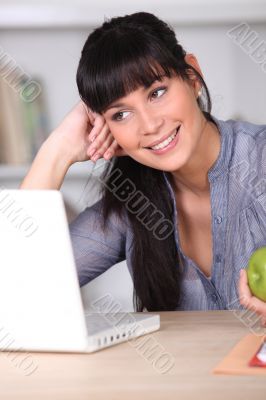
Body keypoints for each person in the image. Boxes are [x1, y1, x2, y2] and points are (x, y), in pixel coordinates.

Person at [20, 12, 266, 326]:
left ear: (192, 77)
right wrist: (56, 151)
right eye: (121, 114)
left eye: (157, 93)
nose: (149, 126)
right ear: (104, 126)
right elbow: (17, 289)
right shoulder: (130, 202)